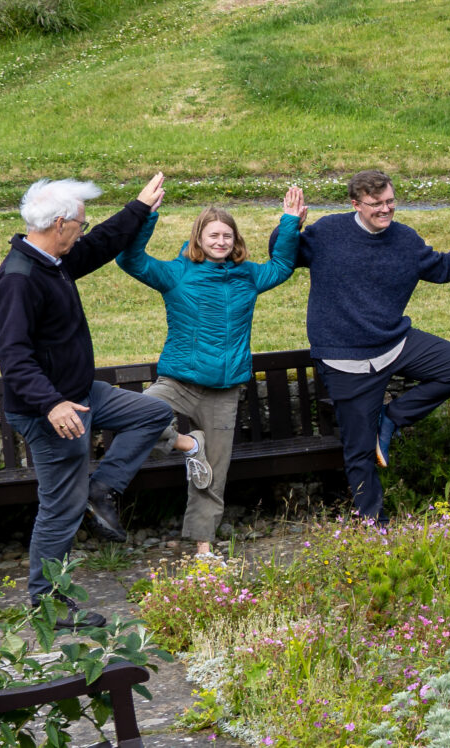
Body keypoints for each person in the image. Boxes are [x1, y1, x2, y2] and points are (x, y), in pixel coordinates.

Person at [0, 173, 200, 627]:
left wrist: (139, 207)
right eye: (80, 225)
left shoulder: (53, 260)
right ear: (61, 223)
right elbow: (14, 357)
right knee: (60, 509)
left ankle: (102, 488)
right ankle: (46, 607)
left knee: (153, 412)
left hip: (82, 394)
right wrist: (51, 404)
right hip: (50, 411)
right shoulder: (19, 278)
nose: (83, 231)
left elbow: (103, 243)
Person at [113, 188, 311, 561]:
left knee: (213, 474)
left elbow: (282, 266)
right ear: (198, 239)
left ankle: (203, 549)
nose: (221, 241)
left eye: (227, 235)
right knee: (137, 419)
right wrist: (146, 215)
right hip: (179, 382)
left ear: (235, 240)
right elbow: (131, 259)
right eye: (213, 235)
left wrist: (289, 223)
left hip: (224, 391)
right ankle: (190, 445)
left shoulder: (248, 277)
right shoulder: (176, 274)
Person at [293, 170, 450, 522]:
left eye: (390, 201)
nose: (385, 210)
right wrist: (288, 225)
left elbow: (443, 269)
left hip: (393, 342)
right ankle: (374, 530)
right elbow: (287, 256)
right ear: (356, 204)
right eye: (376, 204)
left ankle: (391, 417)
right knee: (360, 453)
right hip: (344, 359)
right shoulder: (327, 233)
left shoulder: (404, 240)